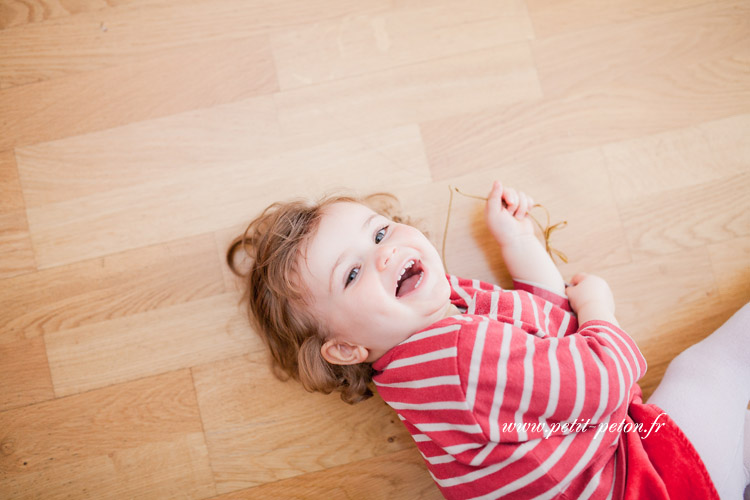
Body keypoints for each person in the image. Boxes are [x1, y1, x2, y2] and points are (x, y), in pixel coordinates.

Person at [227, 181, 748, 499]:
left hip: (616, 466)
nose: (383, 254)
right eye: (352, 274)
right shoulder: (457, 361)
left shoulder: (419, 346)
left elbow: (541, 321)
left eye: (380, 233)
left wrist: (517, 239)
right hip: (640, 482)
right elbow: (605, 379)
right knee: (707, 371)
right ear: (344, 348)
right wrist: (599, 310)